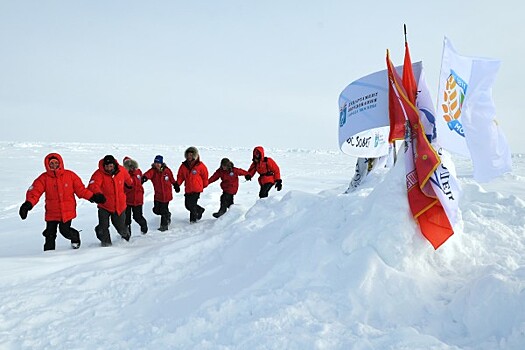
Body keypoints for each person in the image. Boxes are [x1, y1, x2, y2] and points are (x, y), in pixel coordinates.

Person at [19, 153, 106, 251]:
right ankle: (48, 256)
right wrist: (28, 204)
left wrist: (93, 197)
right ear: (47, 165)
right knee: (50, 234)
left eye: (56, 163)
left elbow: (81, 190)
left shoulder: (70, 175)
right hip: (52, 212)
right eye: (51, 163)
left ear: (60, 163)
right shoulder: (44, 178)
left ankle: (75, 236)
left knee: (64, 231)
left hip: (67, 211)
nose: (54, 165)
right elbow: (35, 192)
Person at [88, 155, 133, 246]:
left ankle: (126, 236)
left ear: (114, 165)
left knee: (120, 227)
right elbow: (93, 185)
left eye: (111, 166)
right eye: (107, 166)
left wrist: (129, 183)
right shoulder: (99, 173)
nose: (109, 168)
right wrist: (98, 194)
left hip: (119, 205)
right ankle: (106, 245)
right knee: (103, 227)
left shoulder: (121, 170)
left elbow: (127, 178)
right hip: (104, 205)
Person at [142, 155, 177, 232]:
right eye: (155, 163)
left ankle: (164, 226)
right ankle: (168, 215)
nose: (157, 164)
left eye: (158, 163)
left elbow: (172, 179)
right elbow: (148, 174)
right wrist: (144, 178)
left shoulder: (167, 171)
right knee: (156, 210)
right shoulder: (153, 171)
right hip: (158, 195)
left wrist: (175, 185)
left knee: (163, 210)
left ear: (162, 163)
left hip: (166, 195)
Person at [174, 147, 209, 223]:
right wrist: (177, 184)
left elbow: (205, 175)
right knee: (187, 205)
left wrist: (204, 184)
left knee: (192, 205)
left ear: (194, 155)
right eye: (188, 155)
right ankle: (199, 210)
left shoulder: (200, 165)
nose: (189, 156)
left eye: (191, 155)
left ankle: (193, 221)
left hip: (197, 188)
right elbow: (180, 176)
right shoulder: (183, 166)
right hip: (188, 188)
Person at [123, 156, 148, 234]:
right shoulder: (123, 174)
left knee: (138, 217)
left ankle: (144, 227)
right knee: (126, 219)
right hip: (127, 200)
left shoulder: (138, 172)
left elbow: (140, 182)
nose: (130, 166)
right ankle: (126, 235)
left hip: (138, 199)